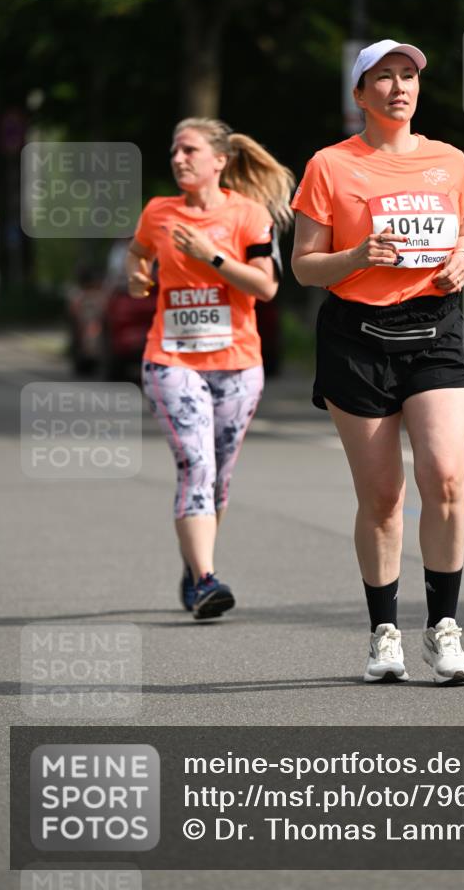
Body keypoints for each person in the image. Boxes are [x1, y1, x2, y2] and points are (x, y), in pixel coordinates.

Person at [291, 40, 464, 684]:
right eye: (384, 77)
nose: (399, 86)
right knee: (383, 498)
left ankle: (444, 631)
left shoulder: (449, 160)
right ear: (360, 94)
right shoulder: (328, 166)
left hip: (437, 333)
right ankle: (384, 634)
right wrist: (359, 257)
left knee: (446, 478)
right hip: (357, 338)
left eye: (408, 76)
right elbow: (305, 264)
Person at [127, 118, 292, 620]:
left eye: (189, 150)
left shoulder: (249, 214)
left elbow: (265, 288)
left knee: (218, 477)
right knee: (195, 465)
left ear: (218, 161)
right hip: (171, 359)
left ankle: (196, 560)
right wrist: (137, 277)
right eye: (174, 151)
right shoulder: (158, 212)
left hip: (239, 364)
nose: (178, 159)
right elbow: (138, 255)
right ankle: (205, 580)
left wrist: (211, 256)